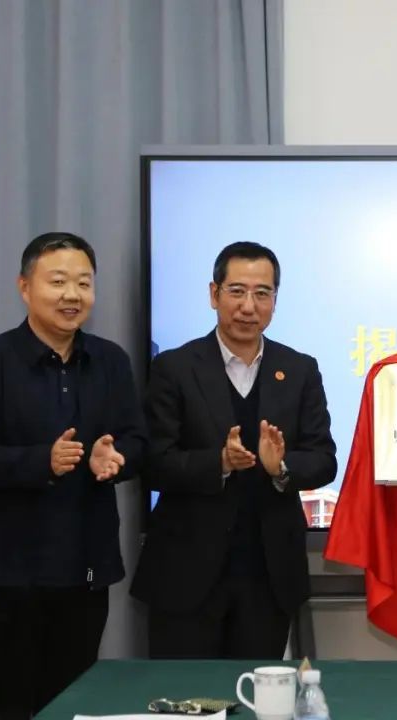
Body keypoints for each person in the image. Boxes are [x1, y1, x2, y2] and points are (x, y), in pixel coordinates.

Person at [0, 232, 147, 719]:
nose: (72, 295)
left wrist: (113, 457)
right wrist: (42, 462)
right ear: (24, 287)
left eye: (84, 283)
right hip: (4, 580)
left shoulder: (111, 361)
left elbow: (139, 442)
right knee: (8, 707)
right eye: (57, 282)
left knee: (73, 706)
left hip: (83, 575)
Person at [131, 241, 336, 659]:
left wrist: (281, 468)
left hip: (268, 574)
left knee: (259, 689)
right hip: (185, 573)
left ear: (275, 300)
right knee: (183, 692)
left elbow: (323, 459)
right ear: (214, 294)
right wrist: (219, 462)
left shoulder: (299, 369)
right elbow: (152, 463)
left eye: (262, 293)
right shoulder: (174, 368)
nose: (248, 306)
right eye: (237, 291)